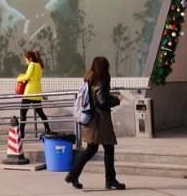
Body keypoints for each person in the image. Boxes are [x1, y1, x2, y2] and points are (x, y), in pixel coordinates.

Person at [65, 56, 125, 191]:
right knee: (108, 148)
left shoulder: (89, 79)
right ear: (104, 67)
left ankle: (73, 175)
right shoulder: (102, 80)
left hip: (91, 120)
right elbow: (102, 101)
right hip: (100, 121)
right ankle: (110, 180)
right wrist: (117, 100)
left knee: (91, 149)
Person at [16, 50, 52, 138]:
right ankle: (47, 128)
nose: (25, 61)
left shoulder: (32, 64)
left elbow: (28, 76)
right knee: (40, 112)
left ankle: (22, 133)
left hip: (29, 92)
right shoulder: (39, 65)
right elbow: (32, 76)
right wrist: (23, 76)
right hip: (37, 92)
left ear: (30, 58)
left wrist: (19, 78)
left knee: (23, 113)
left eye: (26, 59)